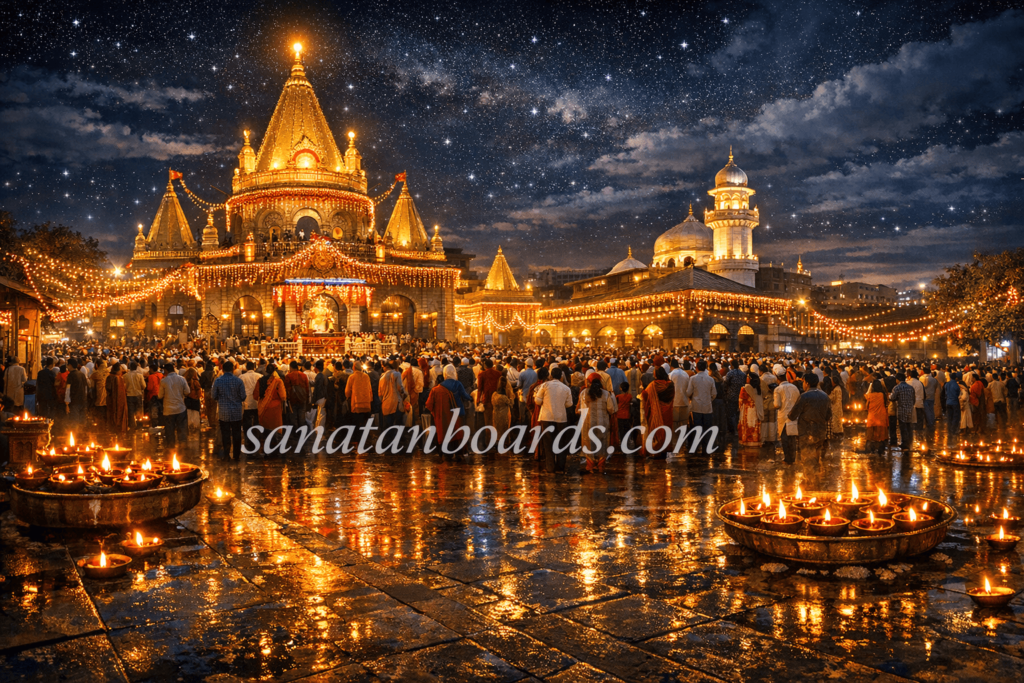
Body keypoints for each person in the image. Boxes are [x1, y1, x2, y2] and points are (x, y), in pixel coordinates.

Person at [425, 364, 472, 457]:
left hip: (444, 412)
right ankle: (460, 451)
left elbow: (430, 404)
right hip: (458, 410)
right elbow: (465, 395)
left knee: (446, 430)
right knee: (457, 430)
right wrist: (471, 398)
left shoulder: (440, 387)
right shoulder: (458, 383)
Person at [534, 366, 574, 472]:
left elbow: (538, 401)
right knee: (561, 442)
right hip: (561, 418)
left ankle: (550, 467)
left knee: (548, 443)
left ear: (551, 375)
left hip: (546, 417)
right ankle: (560, 466)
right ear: (561, 376)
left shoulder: (545, 385)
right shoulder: (566, 388)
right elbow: (569, 404)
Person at [577, 372, 616, 474]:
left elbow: (581, 409)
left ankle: (590, 466)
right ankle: (601, 466)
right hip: (603, 423)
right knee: (602, 444)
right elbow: (611, 409)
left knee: (589, 443)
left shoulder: (584, 393)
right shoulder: (606, 394)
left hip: (588, 423)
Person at [788, 373, 832, 462]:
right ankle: (816, 474)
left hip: (806, 432)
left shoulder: (804, 396)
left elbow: (792, 415)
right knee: (816, 456)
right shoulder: (825, 396)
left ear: (807, 383)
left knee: (807, 458)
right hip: (820, 432)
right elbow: (828, 415)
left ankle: (809, 475)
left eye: (803, 382)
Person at [211, 360, 246, 459]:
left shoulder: (218, 381)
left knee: (225, 434)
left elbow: (213, 396)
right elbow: (243, 396)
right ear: (233, 369)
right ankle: (236, 455)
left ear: (222, 369)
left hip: (223, 412)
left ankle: (226, 454)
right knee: (237, 434)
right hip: (236, 412)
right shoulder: (239, 381)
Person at [640, 367, 675, 459]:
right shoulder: (670, 384)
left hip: (657, 410)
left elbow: (645, 395)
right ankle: (665, 449)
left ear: (656, 375)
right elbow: (672, 396)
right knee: (667, 429)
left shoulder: (653, 385)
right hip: (667, 411)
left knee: (657, 429)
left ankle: (657, 449)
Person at [686, 360, 717, 454]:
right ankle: (705, 447)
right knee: (707, 427)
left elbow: (688, 392)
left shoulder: (693, 378)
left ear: (697, 368)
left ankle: (696, 446)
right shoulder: (711, 379)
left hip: (696, 406)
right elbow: (714, 394)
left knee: (697, 427)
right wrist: (709, 400)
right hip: (707, 407)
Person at [158, 363, 189, 449]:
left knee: (169, 430)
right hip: (180, 408)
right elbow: (187, 392)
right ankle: (183, 448)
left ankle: (171, 449)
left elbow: (160, 395)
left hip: (168, 410)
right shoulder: (182, 379)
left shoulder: (163, 381)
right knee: (182, 429)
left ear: (166, 371)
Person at [256, 364, 287, 433]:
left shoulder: (260, 380)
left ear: (266, 370)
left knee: (265, 429)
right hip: (276, 409)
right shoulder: (278, 381)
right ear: (274, 370)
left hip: (263, 408)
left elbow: (255, 395)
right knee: (275, 429)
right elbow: (283, 396)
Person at [889, 373, 915, 451]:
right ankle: (910, 442)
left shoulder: (897, 388)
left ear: (898, 379)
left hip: (901, 410)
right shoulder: (911, 388)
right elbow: (914, 399)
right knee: (909, 427)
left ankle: (905, 443)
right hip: (910, 409)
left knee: (903, 427)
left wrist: (889, 396)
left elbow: (892, 398)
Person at [738, 371, 763, 447]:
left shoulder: (744, 388)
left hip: (747, 409)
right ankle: (755, 439)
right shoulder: (758, 389)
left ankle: (747, 440)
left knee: (747, 424)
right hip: (755, 409)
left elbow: (740, 401)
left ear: (750, 379)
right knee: (754, 424)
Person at [345, 363, 373, 432]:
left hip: (356, 404)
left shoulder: (352, 377)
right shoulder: (366, 376)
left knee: (356, 423)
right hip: (366, 403)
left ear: (353, 367)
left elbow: (347, 391)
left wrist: (347, 397)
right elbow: (370, 389)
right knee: (364, 422)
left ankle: (357, 439)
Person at [864, 379, 889, 454]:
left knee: (871, 435)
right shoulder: (883, 395)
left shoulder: (870, 395)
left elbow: (866, 406)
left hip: (872, 417)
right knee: (881, 436)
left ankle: (871, 449)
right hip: (881, 416)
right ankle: (880, 449)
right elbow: (886, 403)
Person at [105, 363, 129, 437]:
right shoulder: (118, 378)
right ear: (117, 370)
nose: (122, 371)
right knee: (116, 415)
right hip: (117, 402)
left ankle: (114, 431)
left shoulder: (110, 377)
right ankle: (117, 431)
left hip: (114, 401)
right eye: (121, 370)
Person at [65, 358, 88, 431]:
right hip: (83, 401)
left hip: (74, 401)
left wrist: (67, 403)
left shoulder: (71, 375)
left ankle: (76, 436)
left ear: (70, 365)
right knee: (82, 421)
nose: (67, 367)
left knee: (74, 421)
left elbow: (68, 390)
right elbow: (86, 388)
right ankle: (82, 436)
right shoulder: (82, 374)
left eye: (67, 365)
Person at [491, 375, 513, 443]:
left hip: (495, 414)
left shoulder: (494, 394)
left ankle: (496, 441)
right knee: (504, 429)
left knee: (496, 428)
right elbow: (511, 404)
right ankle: (504, 443)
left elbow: (492, 403)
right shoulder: (504, 397)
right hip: (504, 415)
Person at [125, 361, 146, 429]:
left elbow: (124, 386)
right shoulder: (139, 375)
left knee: (131, 411)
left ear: (129, 367)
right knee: (139, 410)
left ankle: (132, 425)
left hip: (129, 395)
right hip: (138, 395)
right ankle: (139, 425)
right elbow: (144, 386)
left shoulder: (125, 376)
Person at [615, 381, 633, 452]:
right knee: (626, 430)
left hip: (619, 415)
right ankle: (626, 441)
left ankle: (622, 443)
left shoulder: (618, 397)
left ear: (621, 388)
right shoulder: (629, 396)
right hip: (627, 415)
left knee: (621, 430)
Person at [943, 372, 961, 439]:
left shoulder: (947, 384)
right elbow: (958, 394)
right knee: (955, 417)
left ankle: (949, 429)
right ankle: (953, 430)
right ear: (956, 378)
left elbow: (945, 392)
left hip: (948, 402)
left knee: (949, 416)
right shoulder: (956, 385)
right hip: (955, 403)